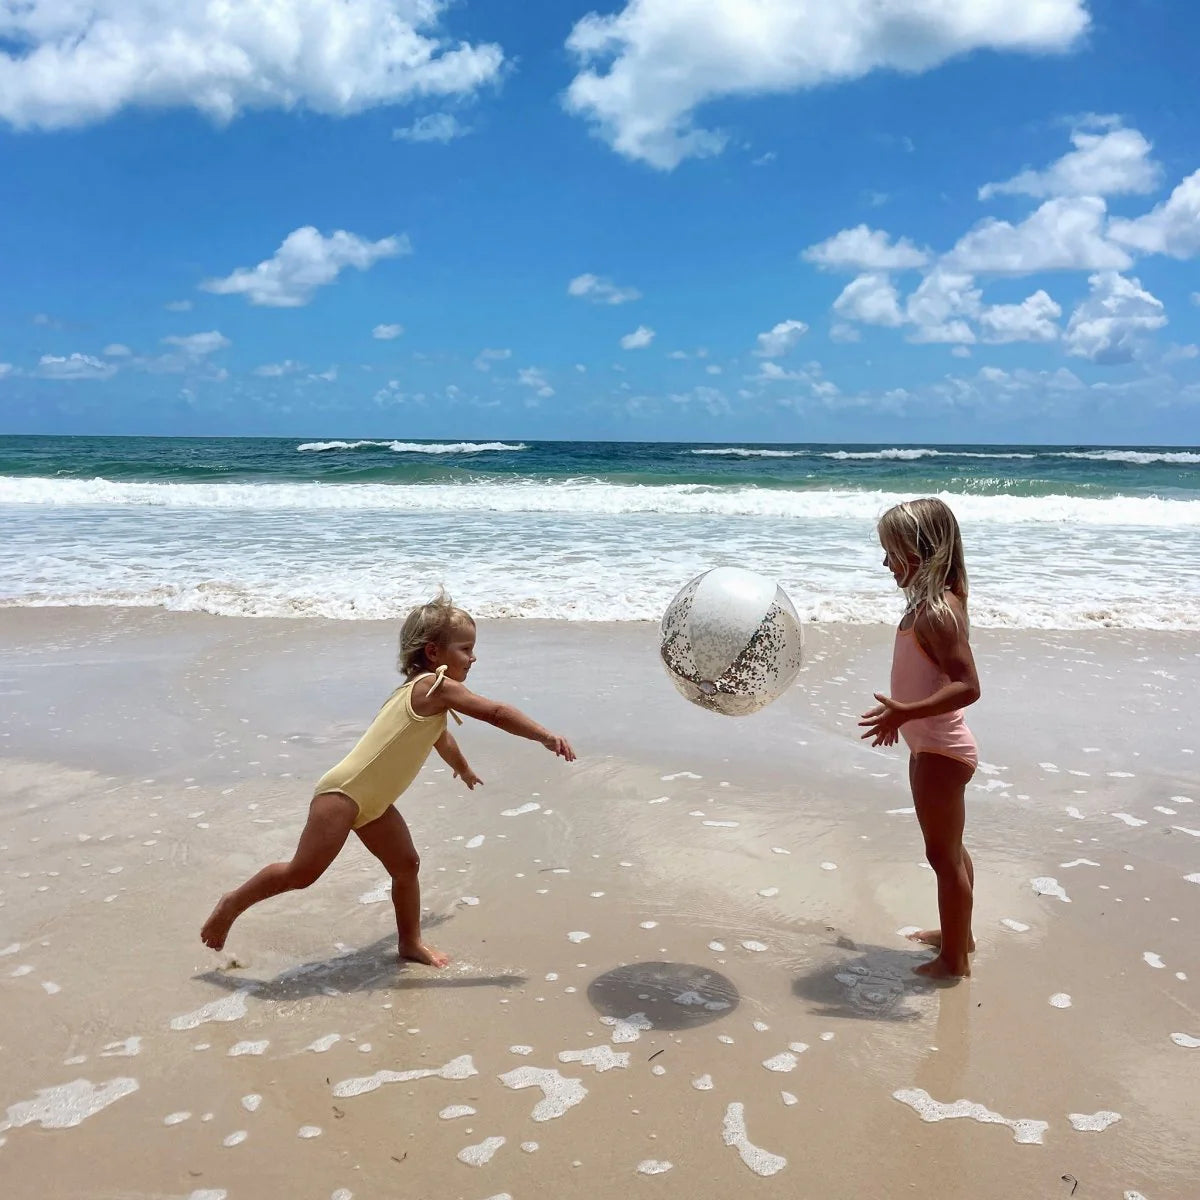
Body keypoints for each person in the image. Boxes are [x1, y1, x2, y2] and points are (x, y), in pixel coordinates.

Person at [201, 593, 576, 967]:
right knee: (301, 874)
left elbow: (440, 738)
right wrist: (544, 736)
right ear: (433, 652)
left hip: (374, 804)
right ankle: (231, 903)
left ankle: (410, 942)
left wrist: (462, 768)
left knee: (406, 865)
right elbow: (495, 712)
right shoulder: (433, 686)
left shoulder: (426, 696)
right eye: (465, 649)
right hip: (343, 795)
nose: (473, 657)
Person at [859, 498, 981, 981]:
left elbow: (968, 685)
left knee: (942, 856)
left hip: (942, 751)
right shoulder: (925, 608)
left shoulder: (936, 613)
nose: (885, 563)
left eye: (891, 553)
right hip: (928, 747)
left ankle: (954, 961)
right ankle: (959, 937)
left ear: (919, 551)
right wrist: (905, 718)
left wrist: (906, 712)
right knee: (949, 849)